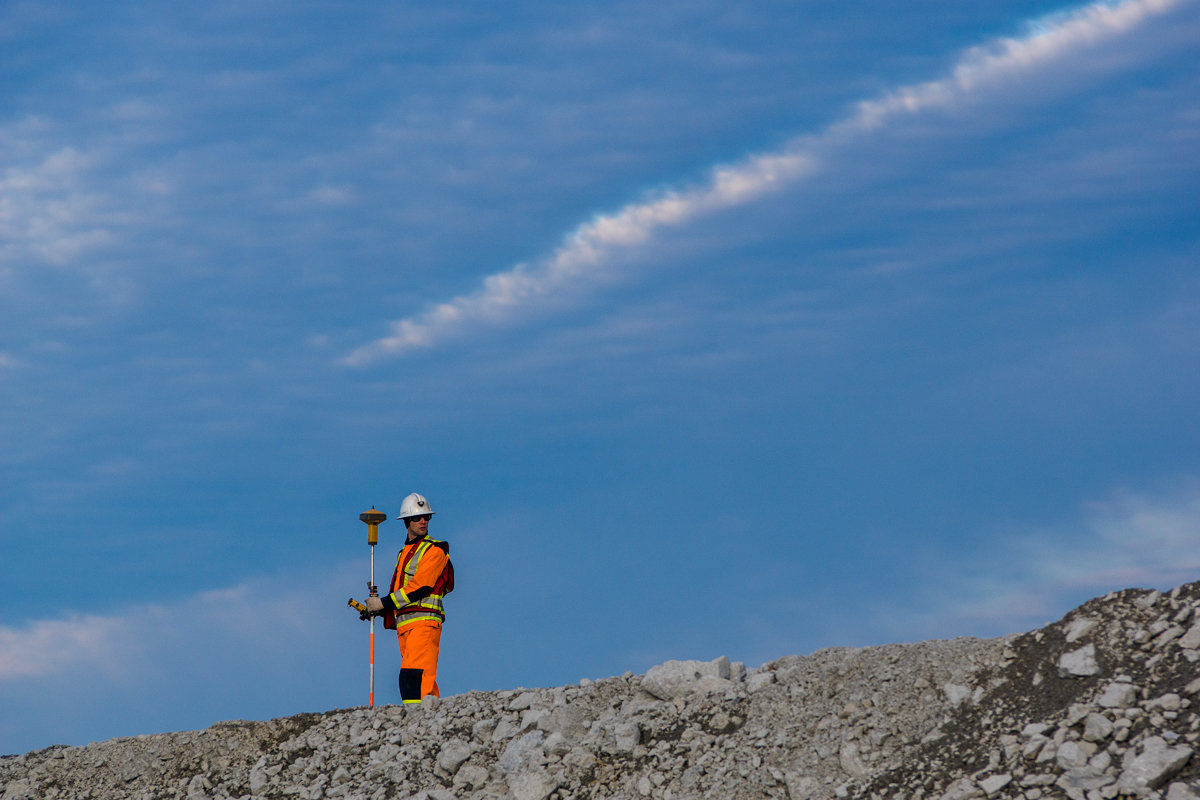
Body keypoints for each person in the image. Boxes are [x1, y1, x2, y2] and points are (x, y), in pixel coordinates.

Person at [365, 492, 452, 704]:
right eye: (417, 518)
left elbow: (421, 586)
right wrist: (380, 609)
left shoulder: (435, 550)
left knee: (413, 678)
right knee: (421, 682)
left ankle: (417, 724)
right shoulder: (404, 553)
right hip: (406, 626)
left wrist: (383, 602)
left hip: (424, 622)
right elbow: (402, 594)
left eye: (427, 517)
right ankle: (430, 723)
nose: (423, 521)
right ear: (406, 521)